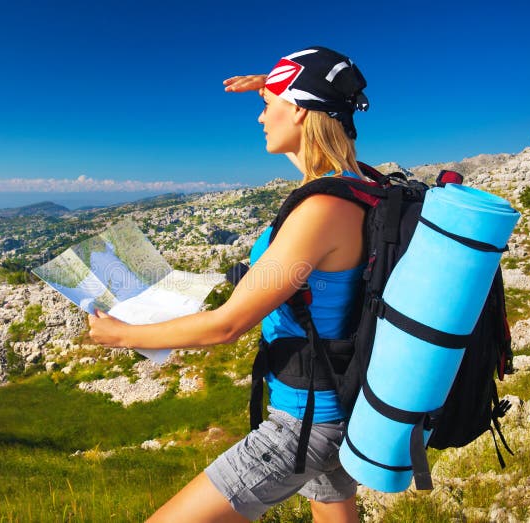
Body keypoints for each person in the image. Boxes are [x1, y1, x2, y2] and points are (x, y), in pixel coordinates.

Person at [88, 46, 370, 523]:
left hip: (306, 419)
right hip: (336, 404)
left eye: (268, 106)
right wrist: (271, 82)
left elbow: (227, 325)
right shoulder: (354, 189)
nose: (261, 118)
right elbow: (309, 113)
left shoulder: (321, 210)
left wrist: (122, 335)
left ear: (298, 109)